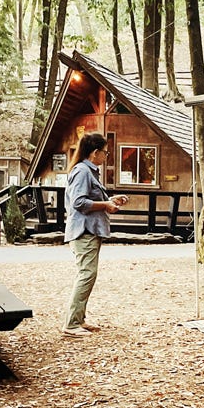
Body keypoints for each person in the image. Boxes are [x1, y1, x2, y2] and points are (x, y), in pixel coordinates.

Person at [62, 133, 127, 336]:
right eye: (105, 152)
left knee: (88, 275)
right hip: (84, 231)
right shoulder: (82, 171)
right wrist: (106, 204)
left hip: (89, 230)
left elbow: (90, 199)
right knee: (86, 275)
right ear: (95, 152)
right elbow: (79, 202)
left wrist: (110, 200)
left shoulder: (89, 172)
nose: (106, 156)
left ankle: (79, 319)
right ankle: (71, 324)